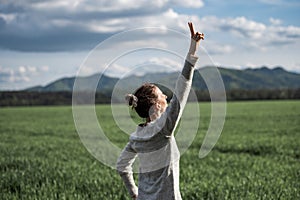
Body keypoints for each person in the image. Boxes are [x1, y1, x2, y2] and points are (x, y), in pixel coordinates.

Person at [116, 22, 204, 200]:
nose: (166, 97)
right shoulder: (164, 129)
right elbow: (182, 89)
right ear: (156, 105)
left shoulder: (136, 137)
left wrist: (134, 191)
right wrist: (192, 50)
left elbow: (122, 166)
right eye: (162, 95)